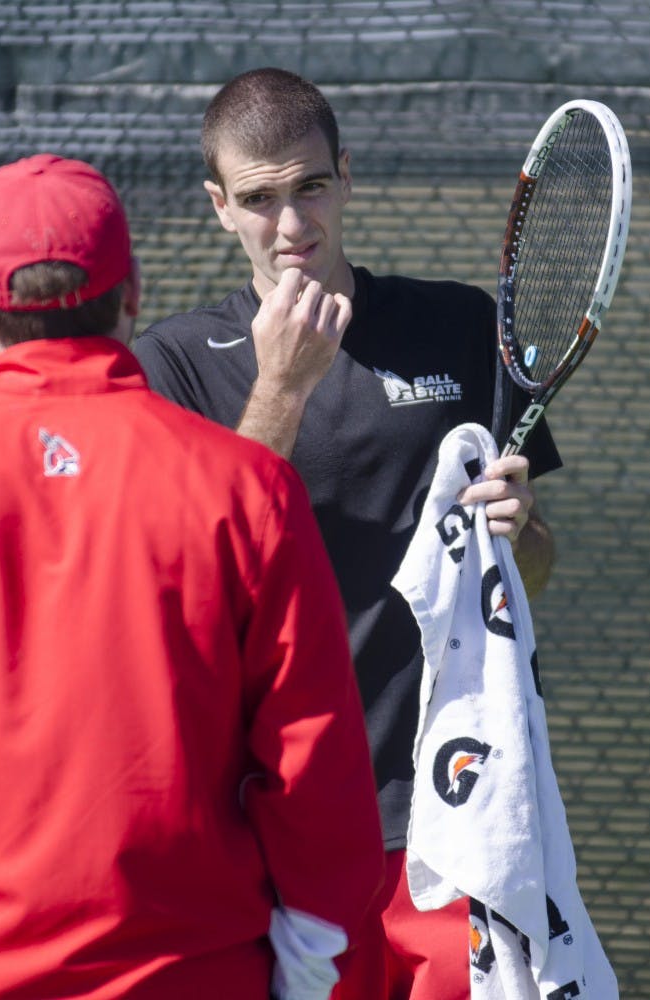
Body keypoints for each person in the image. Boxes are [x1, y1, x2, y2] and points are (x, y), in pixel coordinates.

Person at [0, 152, 386, 1000]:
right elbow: (314, 758)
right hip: (196, 975)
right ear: (132, 289)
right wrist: (302, 967)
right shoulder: (245, 489)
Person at [131, 68, 561, 1000]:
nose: (291, 226)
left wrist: (518, 531)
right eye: (259, 199)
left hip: (451, 811)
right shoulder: (166, 366)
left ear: (346, 177)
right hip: (266, 819)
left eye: (311, 186)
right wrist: (280, 388)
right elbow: (193, 576)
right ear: (218, 206)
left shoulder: (457, 327)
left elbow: (531, 565)